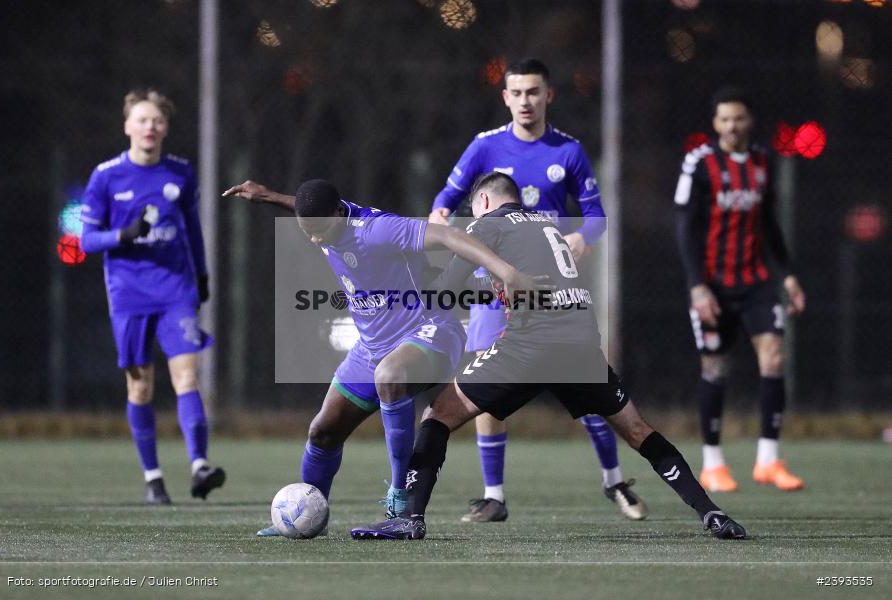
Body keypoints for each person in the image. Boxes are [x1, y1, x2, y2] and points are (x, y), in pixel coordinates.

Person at [350, 172, 745, 540]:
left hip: (531, 346)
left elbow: (448, 288)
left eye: (474, 209)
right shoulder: (546, 224)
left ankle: (410, 517)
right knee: (638, 430)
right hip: (581, 345)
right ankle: (711, 512)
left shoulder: (487, 224)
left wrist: (405, 282)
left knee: (437, 415)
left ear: (483, 200)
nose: (473, 218)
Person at [222, 178, 541, 536]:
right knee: (323, 432)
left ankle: (400, 496)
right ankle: (308, 513)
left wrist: (506, 272)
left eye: (319, 231)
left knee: (390, 376)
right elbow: (308, 210)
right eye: (306, 231)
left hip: (429, 332)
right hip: (371, 347)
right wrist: (268, 196)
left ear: (339, 214)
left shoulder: (379, 229)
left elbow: (450, 237)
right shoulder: (325, 219)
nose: (314, 239)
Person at [428, 58, 646, 522]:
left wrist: (581, 237)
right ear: (505, 97)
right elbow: (443, 204)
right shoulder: (485, 147)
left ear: (549, 95)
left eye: (534, 92)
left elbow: (596, 215)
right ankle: (495, 496)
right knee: (482, 384)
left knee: (586, 384)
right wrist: (442, 220)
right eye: (517, 93)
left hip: (549, 287)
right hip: (494, 288)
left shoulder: (567, 151)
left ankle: (614, 481)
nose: (526, 100)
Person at [79, 89, 224, 505]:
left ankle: (199, 466)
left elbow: (193, 229)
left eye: (157, 120)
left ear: (165, 127)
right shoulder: (106, 176)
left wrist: (201, 274)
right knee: (140, 388)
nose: (150, 127)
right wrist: (121, 236)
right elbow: (85, 240)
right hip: (128, 293)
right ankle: (154, 478)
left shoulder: (180, 172)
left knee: (187, 376)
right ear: (127, 126)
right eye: (142, 120)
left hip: (176, 288)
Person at [673, 86, 806, 493]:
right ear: (715, 124)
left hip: (756, 282)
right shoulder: (699, 163)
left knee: (773, 357)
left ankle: (768, 460)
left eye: (739, 118)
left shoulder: (764, 161)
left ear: (750, 121)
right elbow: (685, 228)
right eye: (724, 119)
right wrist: (697, 286)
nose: (732, 126)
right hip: (713, 286)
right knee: (715, 367)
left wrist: (786, 274)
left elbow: (768, 223)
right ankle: (713, 462)